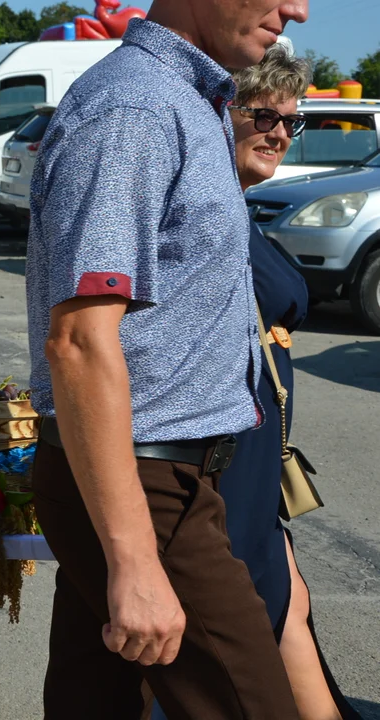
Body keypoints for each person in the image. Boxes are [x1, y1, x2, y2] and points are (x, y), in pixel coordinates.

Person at [25, 1, 309, 717]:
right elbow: (80, 341)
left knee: (93, 704)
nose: (297, 9)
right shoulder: (134, 107)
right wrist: (132, 558)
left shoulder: (187, 100)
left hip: (164, 475)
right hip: (144, 478)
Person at [222, 43, 360, 720]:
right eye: (262, 115)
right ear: (221, 114)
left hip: (256, 460)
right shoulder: (205, 208)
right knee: (258, 619)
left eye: (290, 121)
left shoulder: (234, 203)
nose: (278, 132)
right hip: (222, 460)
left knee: (285, 606)